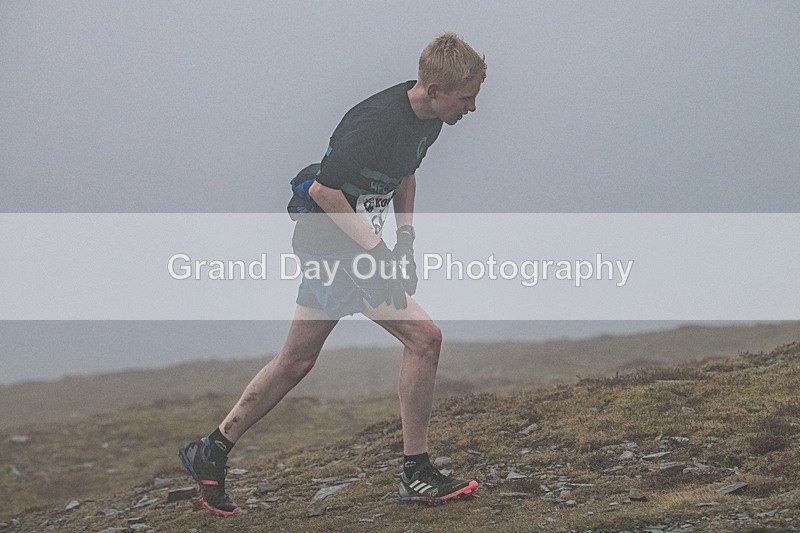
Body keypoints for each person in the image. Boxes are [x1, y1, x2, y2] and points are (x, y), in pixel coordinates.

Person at [178, 32, 486, 517]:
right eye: (466, 98)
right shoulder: (375, 123)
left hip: (348, 245)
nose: (472, 108)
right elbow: (324, 191)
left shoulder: (430, 121)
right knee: (425, 339)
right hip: (331, 244)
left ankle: (211, 450)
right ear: (434, 89)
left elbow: (406, 174)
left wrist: (405, 240)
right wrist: (379, 253)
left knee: (296, 361)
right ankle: (416, 471)